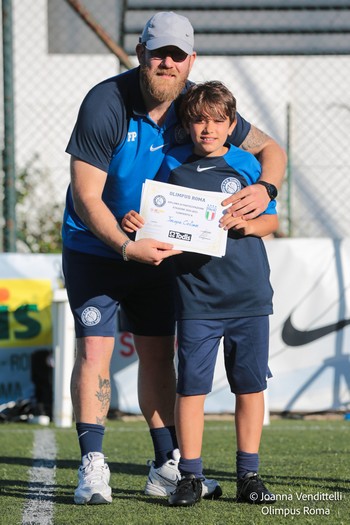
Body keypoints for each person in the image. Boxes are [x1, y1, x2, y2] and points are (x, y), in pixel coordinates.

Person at [61, 11, 286, 505]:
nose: (167, 63)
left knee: (159, 355)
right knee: (96, 349)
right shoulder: (106, 103)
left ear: (191, 61)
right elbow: (86, 198)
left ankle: (165, 465)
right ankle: (92, 464)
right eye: (158, 53)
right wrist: (123, 245)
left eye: (177, 56)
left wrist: (265, 189)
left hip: (161, 251)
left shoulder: (199, 106)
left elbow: (271, 149)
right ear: (141, 53)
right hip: (97, 246)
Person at [122, 81, 278, 507]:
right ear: (187, 124)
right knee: (191, 388)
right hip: (195, 299)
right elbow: (154, 216)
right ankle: (190, 475)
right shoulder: (171, 165)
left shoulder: (249, 166)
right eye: (198, 120)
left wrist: (247, 224)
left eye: (216, 121)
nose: (206, 129)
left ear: (231, 125)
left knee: (249, 386)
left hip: (247, 296)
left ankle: (249, 474)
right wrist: (136, 221)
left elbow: (271, 223)